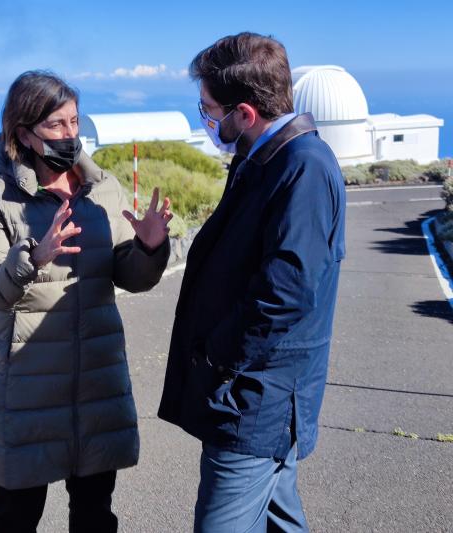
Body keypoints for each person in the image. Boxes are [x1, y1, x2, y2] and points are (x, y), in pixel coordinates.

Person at [0, 70, 172, 533]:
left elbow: (131, 278)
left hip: (97, 385)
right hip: (29, 392)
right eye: (56, 125)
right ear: (23, 132)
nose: (70, 134)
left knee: (96, 516)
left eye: (75, 122)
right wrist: (32, 258)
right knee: (15, 517)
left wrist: (150, 249)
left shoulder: (103, 190)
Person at [158, 32, 346, 532]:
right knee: (281, 520)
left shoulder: (301, 167)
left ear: (244, 112)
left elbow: (286, 293)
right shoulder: (263, 158)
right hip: (254, 392)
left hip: (254, 399)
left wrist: (219, 356)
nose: (207, 121)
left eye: (209, 110)